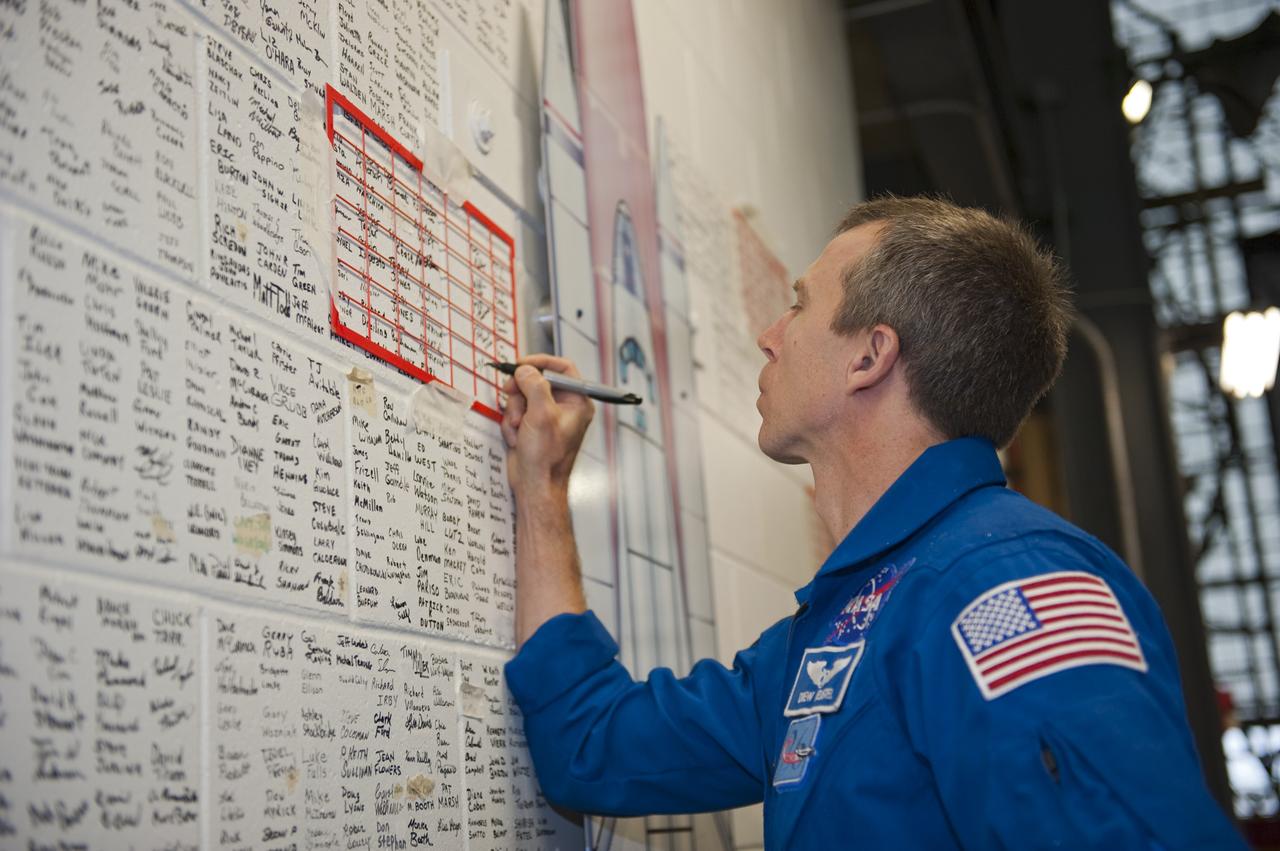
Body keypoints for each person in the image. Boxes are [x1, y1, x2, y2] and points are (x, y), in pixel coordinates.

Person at [497, 196, 1244, 848]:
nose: (769, 334)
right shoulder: (837, 633)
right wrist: (543, 487)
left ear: (869, 355)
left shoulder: (1007, 586)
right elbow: (593, 746)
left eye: (799, 303)